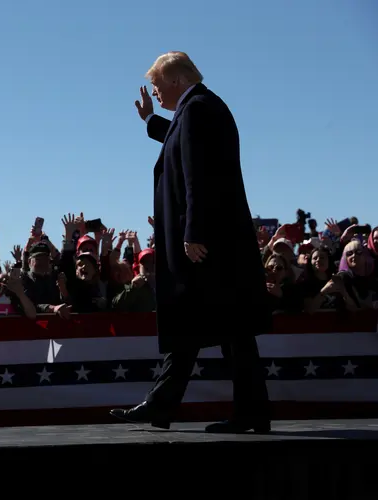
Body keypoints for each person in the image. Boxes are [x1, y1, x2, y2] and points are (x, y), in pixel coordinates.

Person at [110, 52, 271, 433]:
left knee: (216, 325)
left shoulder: (198, 108)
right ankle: (172, 406)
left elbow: (199, 174)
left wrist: (194, 230)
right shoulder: (198, 108)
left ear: (176, 80)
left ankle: (180, 407)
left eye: (156, 84)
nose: (154, 91)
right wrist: (150, 120)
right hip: (215, 242)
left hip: (207, 244)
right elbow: (181, 143)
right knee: (212, 325)